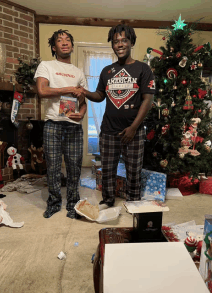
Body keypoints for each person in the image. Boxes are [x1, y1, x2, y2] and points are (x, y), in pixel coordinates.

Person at [78, 24, 155, 210]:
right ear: (112, 45)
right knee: (107, 170)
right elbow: (99, 96)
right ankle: (108, 200)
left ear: (131, 42)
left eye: (124, 40)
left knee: (134, 172)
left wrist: (134, 128)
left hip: (133, 132)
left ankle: (133, 202)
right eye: (116, 41)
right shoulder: (107, 71)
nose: (120, 44)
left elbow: (148, 100)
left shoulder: (143, 69)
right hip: (108, 131)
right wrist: (84, 91)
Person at [34, 29, 87, 219]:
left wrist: (81, 113)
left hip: (73, 126)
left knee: (74, 167)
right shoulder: (46, 65)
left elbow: (83, 101)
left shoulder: (78, 72)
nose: (64, 42)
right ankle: (54, 203)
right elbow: (42, 91)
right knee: (54, 167)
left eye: (68, 40)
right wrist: (68, 89)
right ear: (54, 47)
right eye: (59, 40)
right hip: (53, 124)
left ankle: (73, 204)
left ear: (71, 46)